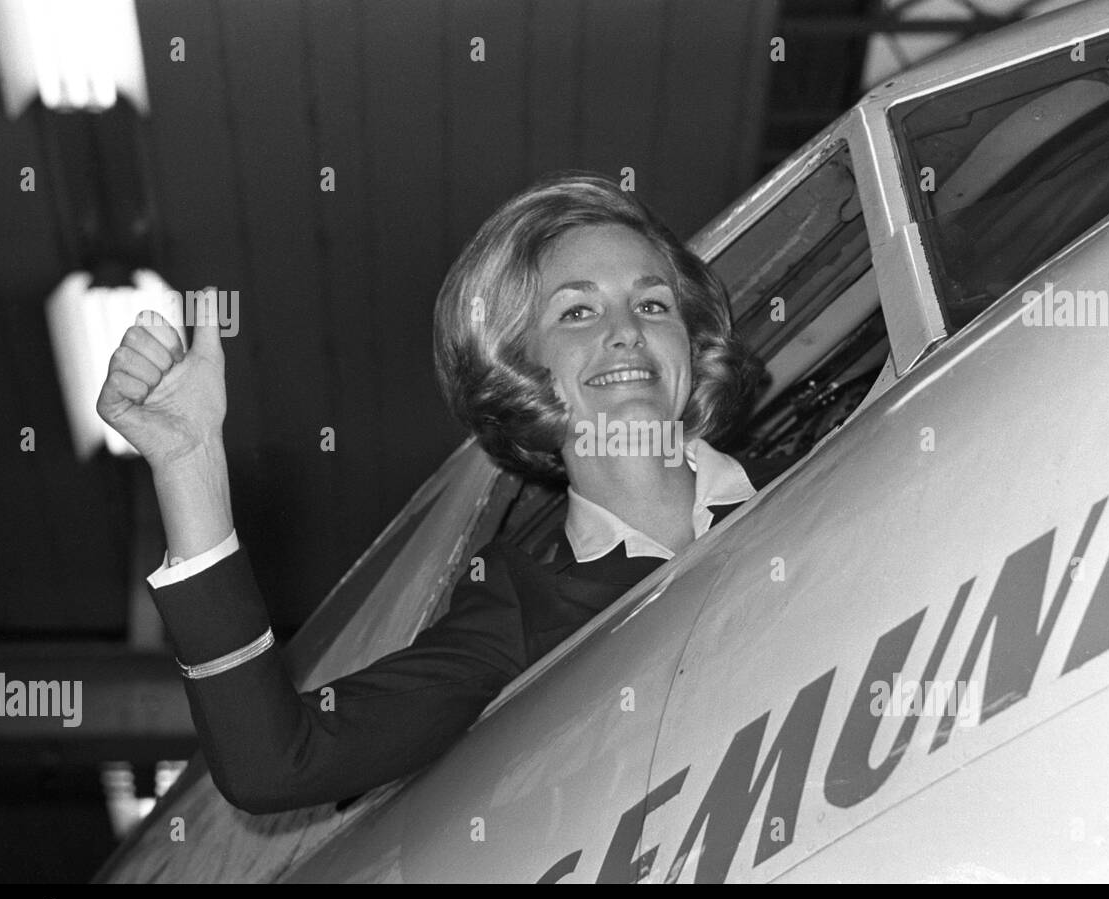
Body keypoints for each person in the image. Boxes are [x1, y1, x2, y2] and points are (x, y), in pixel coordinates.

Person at [96, 174, 791, 814]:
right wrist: (188, 462)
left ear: (692, 345)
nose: (625, 333)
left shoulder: (811, 473)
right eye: (578, 312)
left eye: (653, 303)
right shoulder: (517, 607)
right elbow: (277, 764)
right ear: (527, 370)